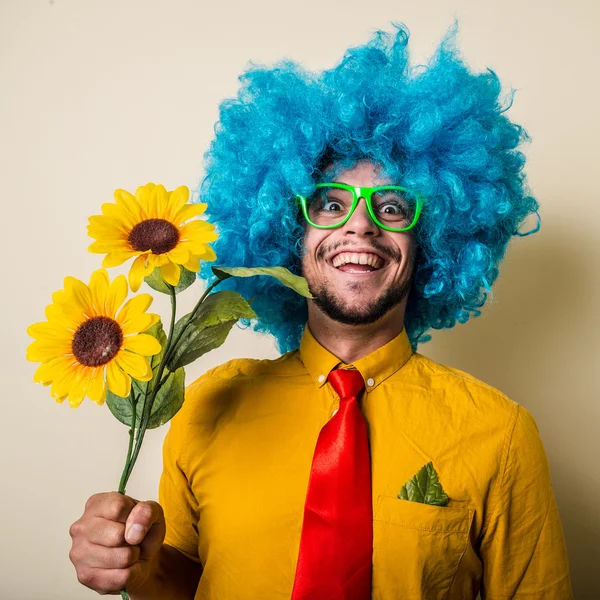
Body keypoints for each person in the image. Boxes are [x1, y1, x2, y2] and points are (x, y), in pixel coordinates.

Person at [68, 23, 573, 599]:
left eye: (392, 206)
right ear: (287, 233)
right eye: (330, 204)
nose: (360, 223)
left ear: (435, 238)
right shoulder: (210, 405)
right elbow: (183, 581)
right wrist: (138, 567)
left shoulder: (500, 433)